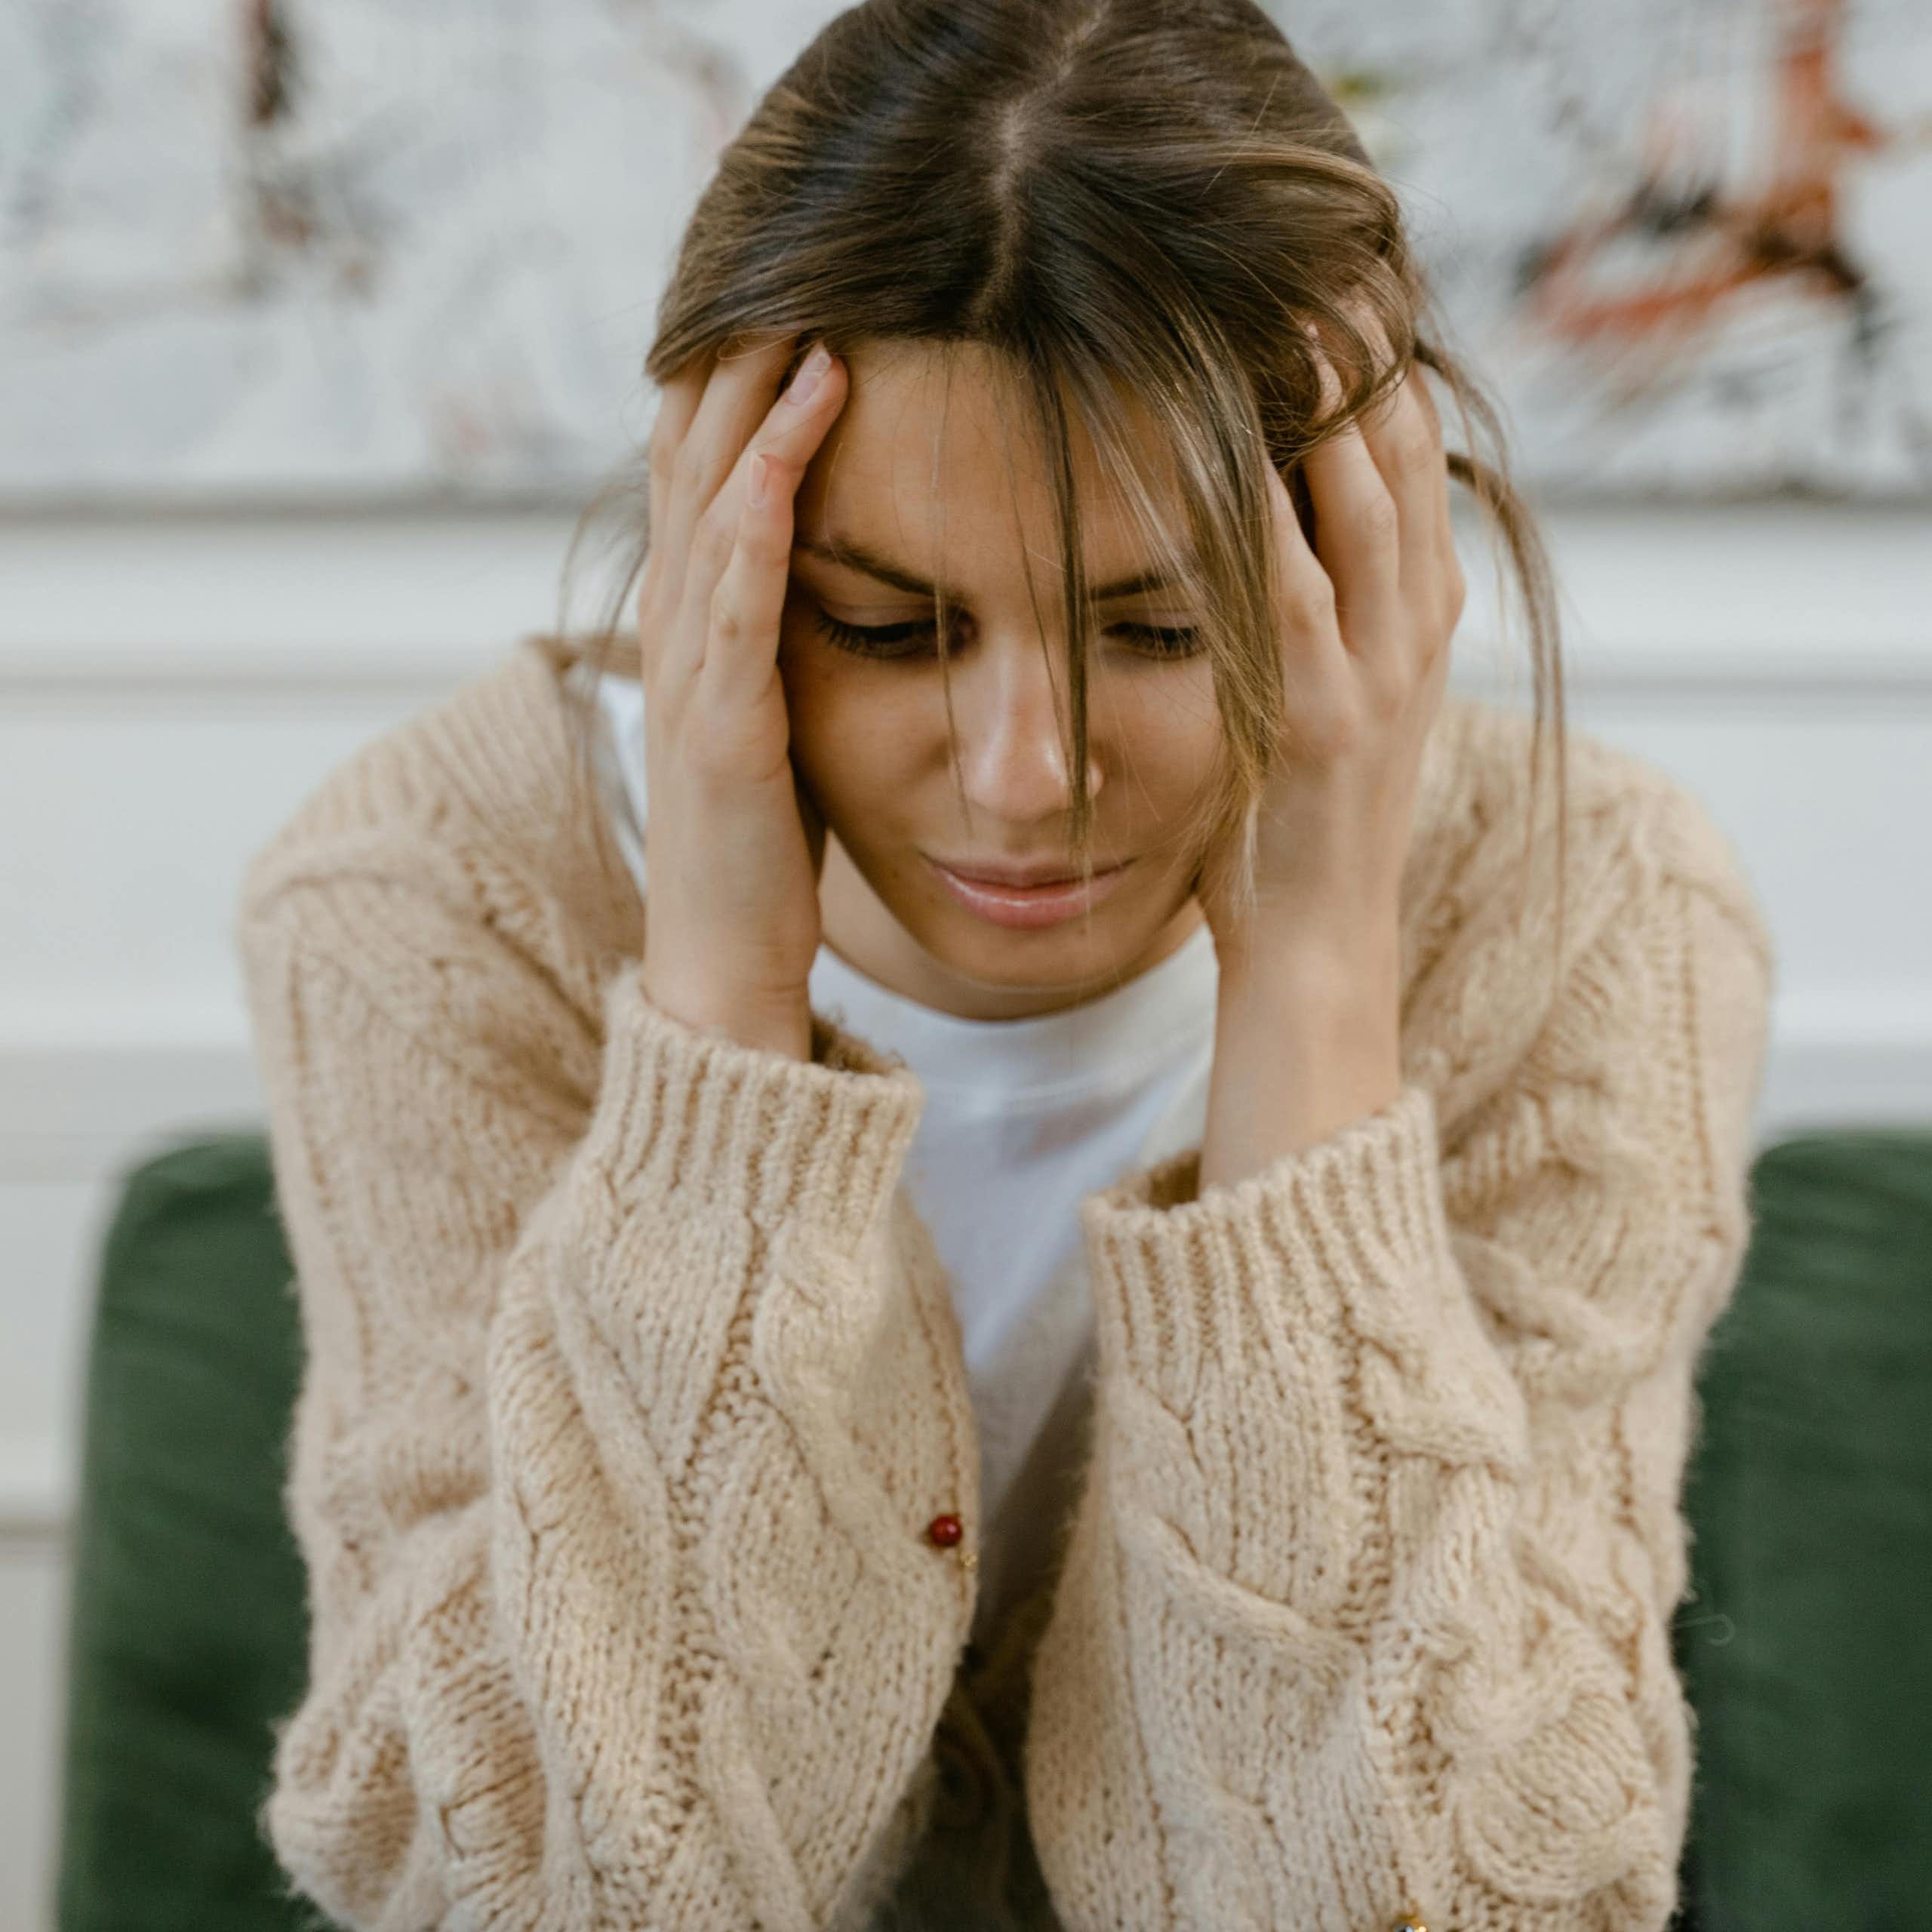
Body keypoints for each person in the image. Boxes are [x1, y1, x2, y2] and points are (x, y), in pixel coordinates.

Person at [234, 2, 1777, 1927]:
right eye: (889, 628)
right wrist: (718, 1021)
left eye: (1151, 627)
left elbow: (1464, 1895)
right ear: (726, 543)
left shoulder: (1580, 912)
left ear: (1361, 553)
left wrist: (1309, 995)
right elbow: (541, 1889)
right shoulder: (439, 901)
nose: (1026, 777)